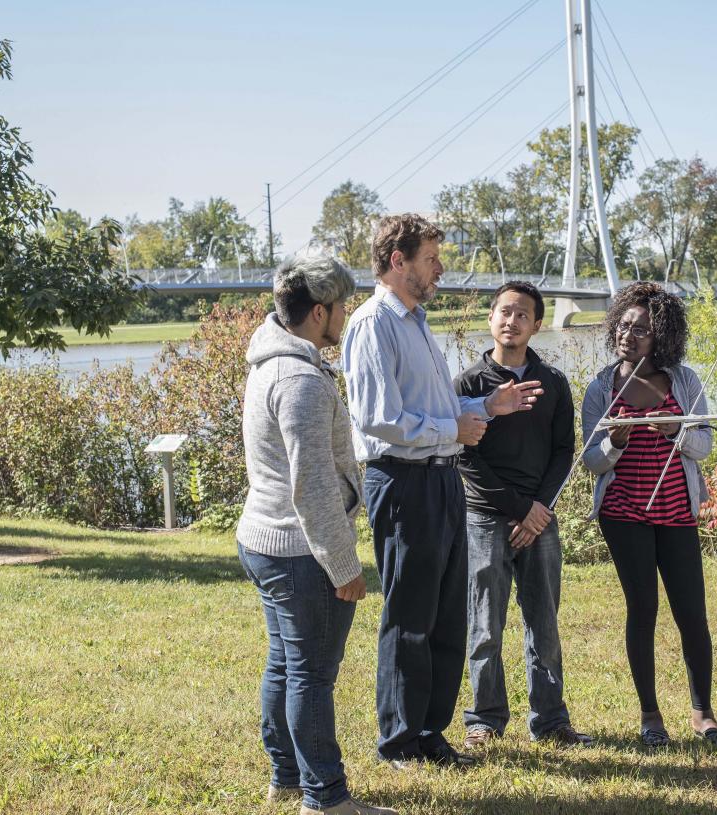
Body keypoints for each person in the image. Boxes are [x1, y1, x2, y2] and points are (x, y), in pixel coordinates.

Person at [341, 214, 543, 769]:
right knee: (409, 615)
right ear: (398, 261)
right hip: (403, 482)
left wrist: (484, 408)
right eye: (431, 258)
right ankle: (399, 740)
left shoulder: (416, 322)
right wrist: (451, 430)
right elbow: (378, 419)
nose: (440, 267)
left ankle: (431, 730)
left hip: (440, 478)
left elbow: (434, 411)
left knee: (447, 613)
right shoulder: (373, 324)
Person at [236, 248, 395, 815]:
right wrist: (343, 565)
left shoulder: (268, 362)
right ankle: (325, 798)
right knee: (311, 676)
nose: (346, 317)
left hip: (264, 538)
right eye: (342, 307)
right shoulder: (300, 379)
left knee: (284, 663)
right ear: (321, 310)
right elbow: (313, 487)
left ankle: (286, 778)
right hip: (300, 550)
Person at [581, 281, 717, 749]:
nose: (629, 334)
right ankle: (651, 716)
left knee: (692, 613)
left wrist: (675, 431)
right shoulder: (602, 387)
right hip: (624, 512)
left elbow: (704, 444)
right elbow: (590, 459)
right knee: (642, 609)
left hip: (675, 512)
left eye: (641, 329)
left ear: (661, 335)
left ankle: (703, 714)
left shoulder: (685, 382)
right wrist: (615, 442)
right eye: (624, 325)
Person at [453, 282, 592, 750]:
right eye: (504, 312)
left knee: (544, 622)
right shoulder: (469, 385)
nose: (512, 322)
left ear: (535, 325)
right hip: (485, 518)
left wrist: (539, 511)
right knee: (485, 624)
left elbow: (563, 452)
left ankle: (550, 721)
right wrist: (517, 509)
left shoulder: (553, 383)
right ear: (491, 318)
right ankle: (484, 721)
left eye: (522, 315)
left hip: (540, 519)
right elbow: (465, 458)